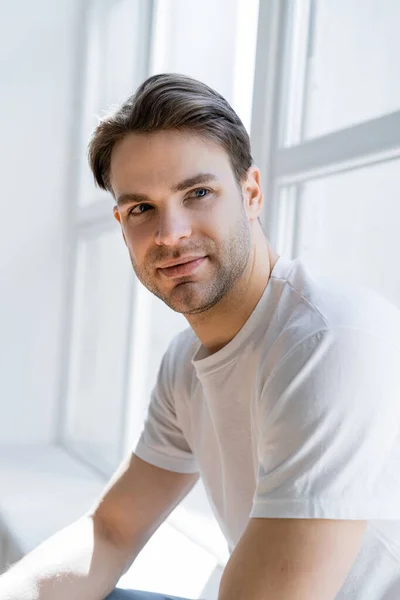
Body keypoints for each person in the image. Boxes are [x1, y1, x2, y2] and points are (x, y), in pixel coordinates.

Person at [2, 73, 400, 600]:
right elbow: (112, 530)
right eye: (142, 208)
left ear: (251, 192)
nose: (170, 233)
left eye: (198, 193)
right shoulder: (186, 360)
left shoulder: (329, 342)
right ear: (122, 224)